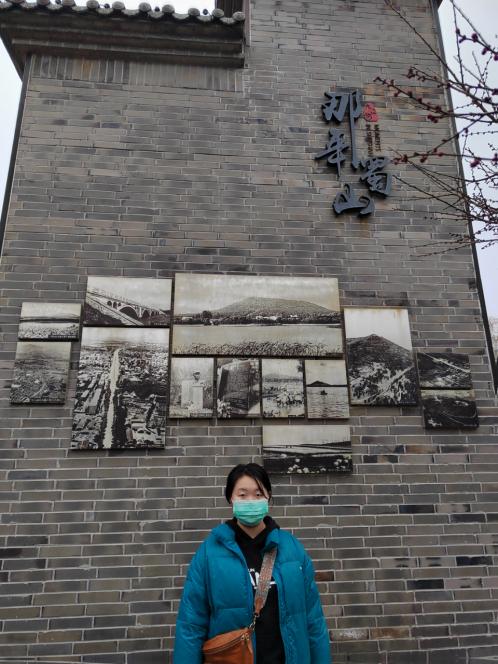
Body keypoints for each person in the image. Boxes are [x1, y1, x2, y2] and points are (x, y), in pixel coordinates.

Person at [173, 462, 331, 664]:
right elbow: (191, 624)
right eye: (242, 494)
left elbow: (313, 620)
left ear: (268, 497)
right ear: (230, 498)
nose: (251, 501)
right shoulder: (209, 553)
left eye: (258, 494)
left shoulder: (292, 549)